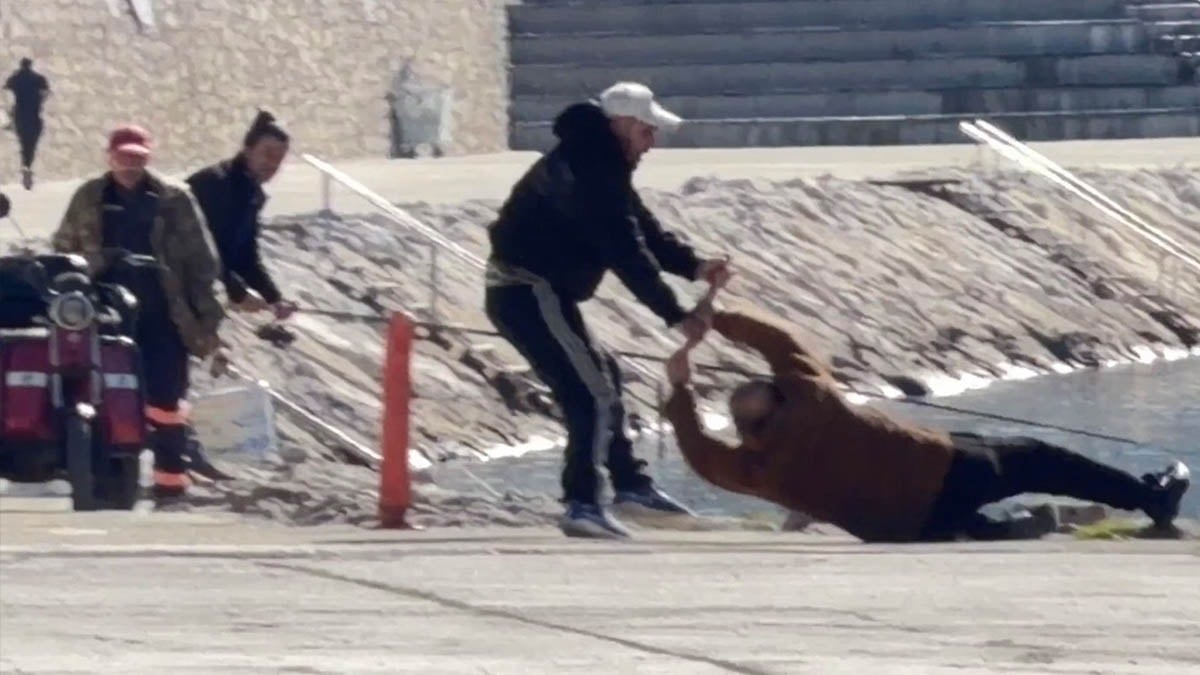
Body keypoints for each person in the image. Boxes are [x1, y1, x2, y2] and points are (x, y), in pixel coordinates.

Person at [664, 304, 1192, 542]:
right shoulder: (810, 403)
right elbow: (784, 344)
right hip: (945, 472)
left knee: (973, 464)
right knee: (1036, 456)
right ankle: (1149, 497)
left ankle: (985, 531)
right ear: (781, 399)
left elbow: (697, 451)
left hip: (904, 530)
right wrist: (717, 321)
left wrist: (680, 390)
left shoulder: (753, 470)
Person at [485, 81, 732, 539]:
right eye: (646, 132)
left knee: (606, 376)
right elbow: (626, 253)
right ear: (621, 125)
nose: (652, 143)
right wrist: (676, 315)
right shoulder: (590, 171)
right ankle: (583, 504)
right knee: (591, 392)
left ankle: (630, 487)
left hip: (545, 293)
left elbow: (643, 230)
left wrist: (694, 265)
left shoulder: (600, 161)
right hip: (527, 291)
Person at [52, 124, 228, 502]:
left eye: (137, 159)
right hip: (105, 317)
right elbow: (63, 252)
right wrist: (98, 262)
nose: (130, 166)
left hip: (164, 315)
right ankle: (106, 478)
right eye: (123, 158)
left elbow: (202, 262)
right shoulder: (89, 197)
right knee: (105, 395)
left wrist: (208, 321)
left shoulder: (174, 198)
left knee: (166, 401)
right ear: (110, 158)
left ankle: (170, 485)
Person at [186, 110, 296, 319]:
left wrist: (273, 298)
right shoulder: (216, 184)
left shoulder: (251, 194)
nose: (272, 164)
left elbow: (246, 256)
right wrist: (238, 293)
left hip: (204, 294)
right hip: (177, 291)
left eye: (279, 159)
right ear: (248, 149)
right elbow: (203, 251)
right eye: (267, 153)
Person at [3, 58, 51, 190]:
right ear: (30, 65)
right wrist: (40, 101)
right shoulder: (38, 78)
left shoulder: (15, 78)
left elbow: (6, 90)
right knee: (31, 144)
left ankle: (26, 165)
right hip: (34, 116)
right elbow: (47, 92)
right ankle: (27, 165)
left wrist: (9, 112)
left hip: (20, 116)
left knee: (23, 142)